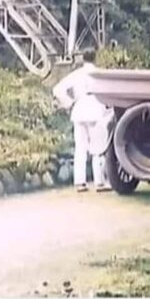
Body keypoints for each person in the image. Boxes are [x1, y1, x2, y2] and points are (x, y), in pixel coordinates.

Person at [52, 50, 114, 192]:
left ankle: (80, 182)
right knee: (97, 147)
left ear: (82, 59)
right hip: (95, 109)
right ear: (95, 58)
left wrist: (69, 102)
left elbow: (57, 89)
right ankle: (99, 182)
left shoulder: (77, 74)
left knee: (80, 148)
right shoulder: (99, 74)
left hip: (79, 109)